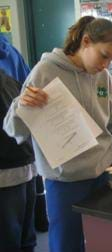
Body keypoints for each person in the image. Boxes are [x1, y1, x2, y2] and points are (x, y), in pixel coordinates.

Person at [3, 16, 112, 252]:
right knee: (67, 244)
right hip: (65, 181)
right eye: (104, 55)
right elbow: (13, 129)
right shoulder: (45, 71)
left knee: (100, 241)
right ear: (85, 41)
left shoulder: (104, 77)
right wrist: (21, 105)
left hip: (101, 175)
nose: (106, 65)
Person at [0, 70, 36, 252]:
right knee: (25, 238)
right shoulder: (9, 77)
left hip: (9, 171)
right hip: (26, 163)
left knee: (11, 240)